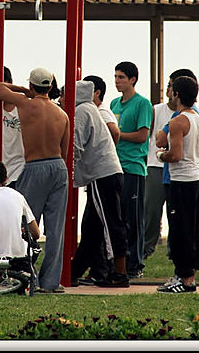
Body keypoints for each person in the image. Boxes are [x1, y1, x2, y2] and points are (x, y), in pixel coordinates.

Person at [0, 68, 69, 294]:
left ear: (33, 86)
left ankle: (24, 275)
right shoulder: (62, 114)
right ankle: (50, 282)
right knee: (55, 229)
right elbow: (64, 152)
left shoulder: (25, 103)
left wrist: (24, 91)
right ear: (52, 87)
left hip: (35, 166)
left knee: (24, 224)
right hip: (58, 167)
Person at [69, 79, 129, 288]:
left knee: (110, 225)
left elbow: (74, 147)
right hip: (108, 173)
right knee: (91, 229)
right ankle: (74, 272)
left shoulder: (81, 112)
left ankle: (120, 273)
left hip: (101, 175)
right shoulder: (91, 108)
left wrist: (68, 171)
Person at [155, 75, 199, 293]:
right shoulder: (198, 118)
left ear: (177, 94)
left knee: (179, 231)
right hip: (198, 178)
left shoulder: (178, 121)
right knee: (194, 230)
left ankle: (184, 279)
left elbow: (174, 155)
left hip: (182, 181)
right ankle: (189, 275)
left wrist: (160, 156)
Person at [109, 61, 154, 279]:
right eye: (116, 77)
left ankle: (135, 264)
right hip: (115, 166)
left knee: (133, 218)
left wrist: (117, 135)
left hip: (134, 167)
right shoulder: (114, 104)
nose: (117, 81)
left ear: (132, 79)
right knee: (117, 218)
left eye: (121, 77)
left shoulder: (142, 104)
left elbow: (142, 135)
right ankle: (118, 262)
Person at [144, 79, 175, 259]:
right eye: (168, 85)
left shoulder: (192, 113)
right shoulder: (156, 109)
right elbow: (147, 136)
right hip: (155, 165)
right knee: (152, 211)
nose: (168, 90)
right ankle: (146, 247)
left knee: (175, 211)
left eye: (172, 86)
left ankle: (173, 250)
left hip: (176, 167)